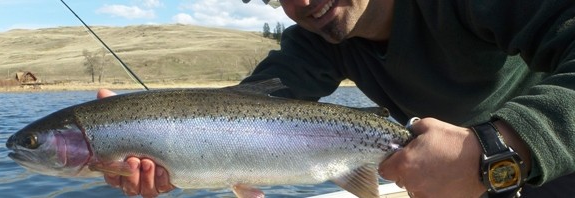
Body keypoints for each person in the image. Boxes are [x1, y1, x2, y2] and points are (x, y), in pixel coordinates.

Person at [99, 0, 575, 197]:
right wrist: (150, 131)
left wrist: (493, 146)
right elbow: (247, 106)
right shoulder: (314, 43)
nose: (303, 2)